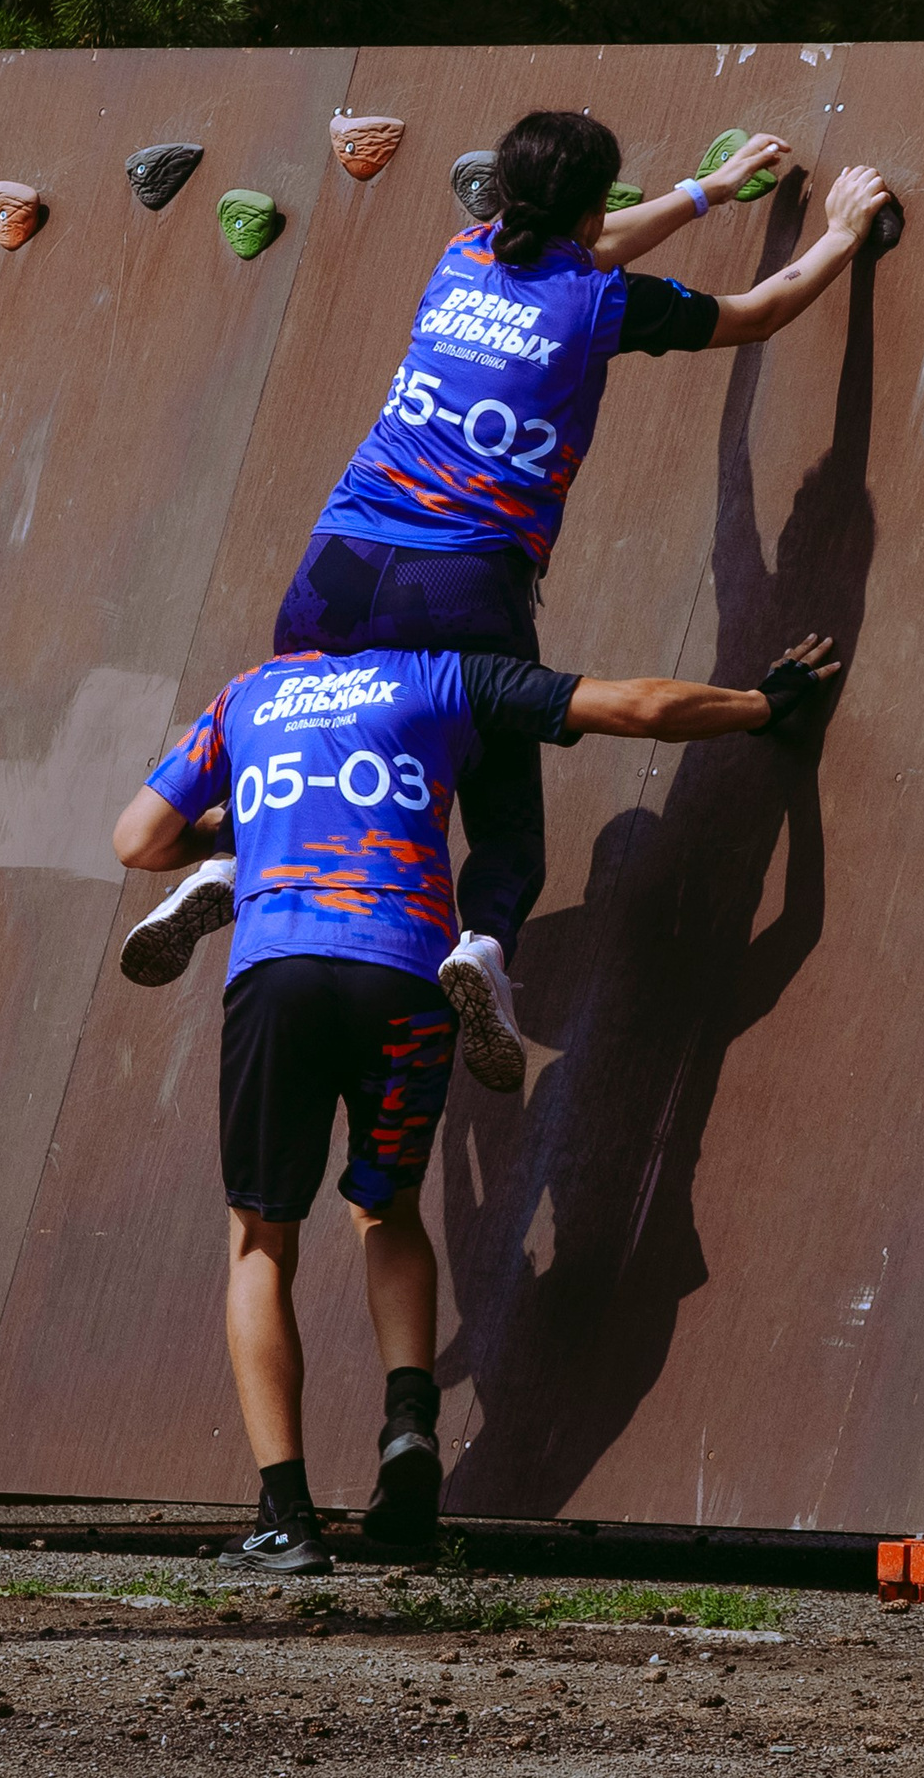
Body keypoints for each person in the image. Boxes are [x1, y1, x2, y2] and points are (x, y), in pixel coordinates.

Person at [121, 110, 889, 1096]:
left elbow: (581, 238)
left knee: (305, 740)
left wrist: (706, 193)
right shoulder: (599, 302)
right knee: (503, 818)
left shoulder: (460, 253)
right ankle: (481, 945)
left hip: (335, 563)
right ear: (584, 207)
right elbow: (755, 311)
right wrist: (838, 230)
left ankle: (228, 865)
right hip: (460, 585)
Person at [109, 624, 841, 1575]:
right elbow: (637, 706)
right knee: (386, 1207)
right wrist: (765, 703)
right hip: (405, 970)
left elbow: (136, 837)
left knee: (259, 1238)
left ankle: (287, 1520)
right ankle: (409, 1425)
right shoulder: (439, 674)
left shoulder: (251, 690)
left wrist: (252, 827)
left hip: (278, 968)